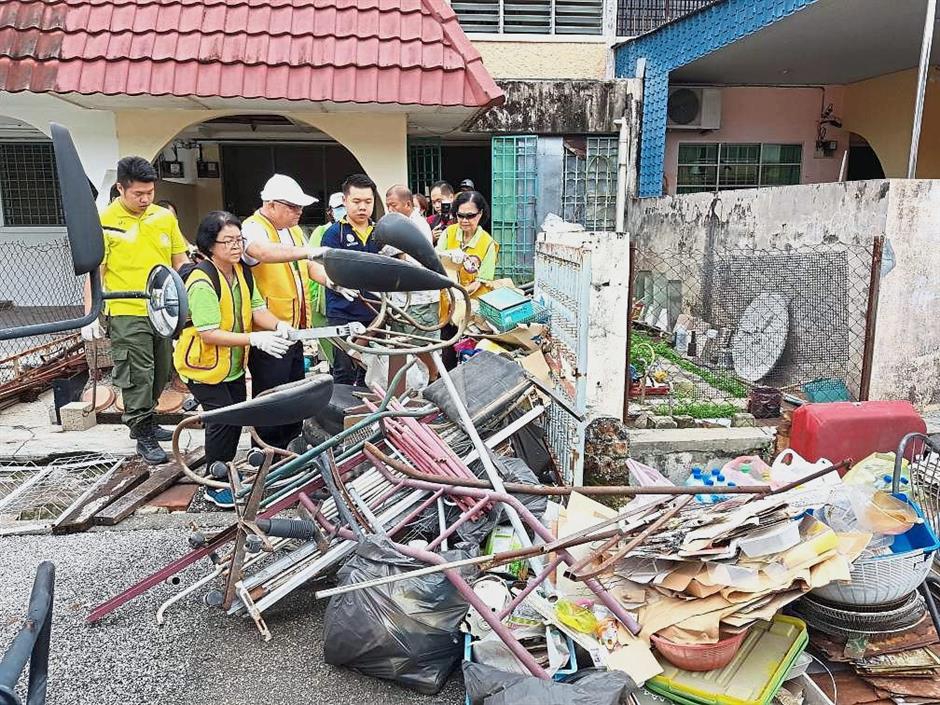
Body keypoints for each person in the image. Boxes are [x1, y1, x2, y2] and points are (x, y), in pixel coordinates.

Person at [174, 211, 293, 507]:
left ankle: (223, 471)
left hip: (231, 365)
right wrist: (254, 338)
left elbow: (255, 309)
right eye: (227, 241)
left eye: (239, 239)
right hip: (202, 366)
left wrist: (278, 325)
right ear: (209, 245)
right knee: (223, 420)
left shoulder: (241, 272)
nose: (236, 247)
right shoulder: (202, 281)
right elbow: (209, 333)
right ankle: (215, 484)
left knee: (235, 419)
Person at [82, 156, 189, 464]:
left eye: (149, 192)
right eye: (137, 194)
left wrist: (188, 296)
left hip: (162, 307)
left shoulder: (163, 218)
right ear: (120, 188)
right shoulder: (103, 222)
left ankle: (149, 419)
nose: (145, 199)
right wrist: (90, 315)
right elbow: (96, 272)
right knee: (135, 372)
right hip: (126, 308)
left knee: (161, 369)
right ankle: (141, 432)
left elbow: (179, 262)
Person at [241, 174, 354, 449]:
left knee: (294, 392)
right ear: (271, 204)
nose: (299, 212)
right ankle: (268, 451)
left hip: (294, 328)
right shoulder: (253, 228)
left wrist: (331, 281)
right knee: (272, 395)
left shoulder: (292, 230)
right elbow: (263, 253)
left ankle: (292, 448)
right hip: (269, 330)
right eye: (293, 207)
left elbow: (307, 265)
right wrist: (307, 252)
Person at [321, 173, 383, 386]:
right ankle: (340, 418)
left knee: (373, 370)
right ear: (345, 201)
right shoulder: (333, 235)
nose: (362, 207)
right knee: (343, 370)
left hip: (375, 313)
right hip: (342, 313)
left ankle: (371, 416)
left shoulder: (381, 234)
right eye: (356, 202)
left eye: (368, 201)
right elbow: (326, 271)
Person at [384, 185, 440, 381]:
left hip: (418, 299)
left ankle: (434, 376)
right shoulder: (405, 222)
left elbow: (401, 259)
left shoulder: (414, 226)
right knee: (401, 345)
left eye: (394, 205)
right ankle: (403, 386)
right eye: (387, 206)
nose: (390, 210)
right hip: (404, 298)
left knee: (418, 343)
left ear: (407, 204)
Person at [305, 192, 345, 367]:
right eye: (338, 209)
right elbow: (312, 264)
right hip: (322, 298)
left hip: (350, 299)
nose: (342, 212)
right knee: (334, 351)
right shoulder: (322, 232)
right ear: (330, 211)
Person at [435, 190, 498, 295]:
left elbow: (482, 280)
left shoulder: (488, 243)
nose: (464, 220)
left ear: (480, 214)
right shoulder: (448, 233)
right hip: (448, 299)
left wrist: (459, 292)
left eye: (470, 216)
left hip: (474, 303)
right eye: (460, 215)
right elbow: (436, 259)